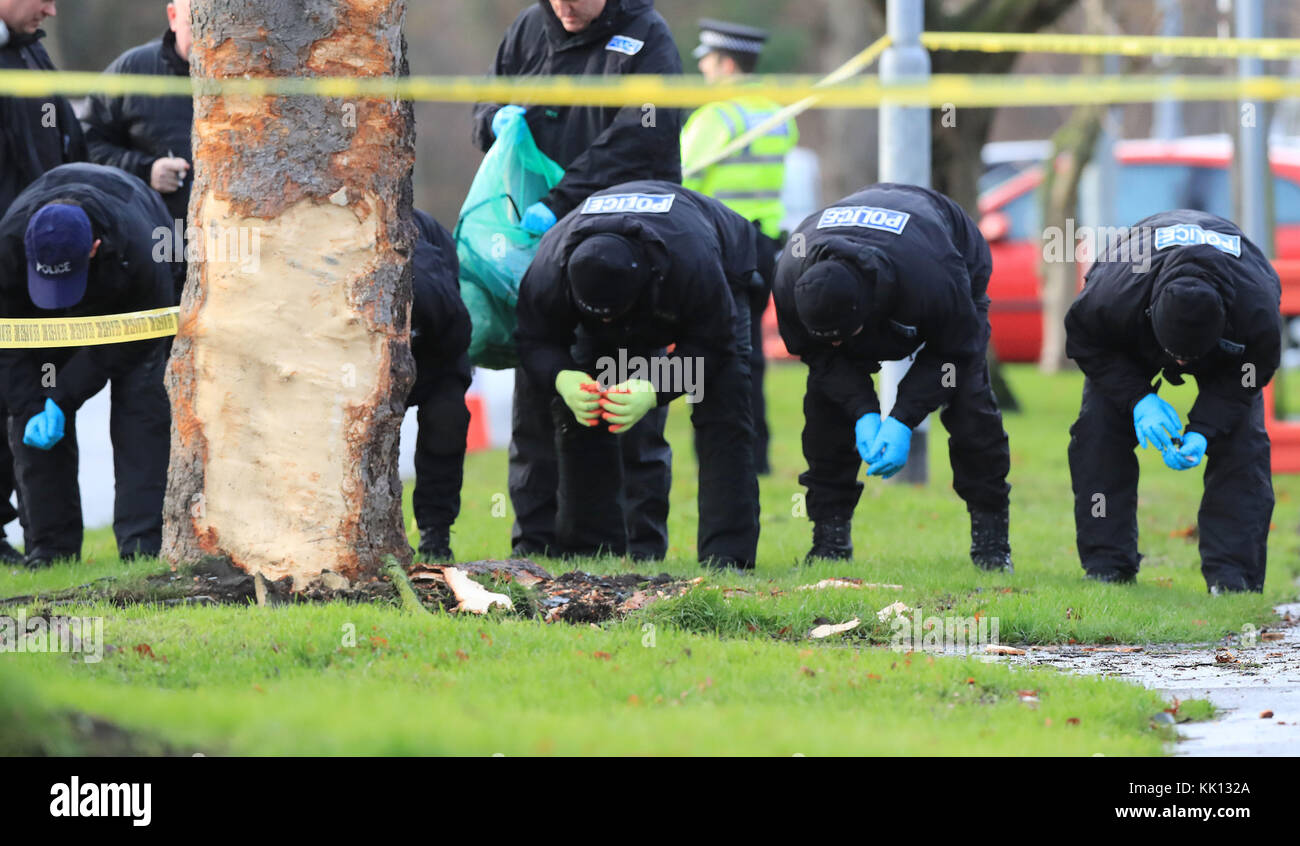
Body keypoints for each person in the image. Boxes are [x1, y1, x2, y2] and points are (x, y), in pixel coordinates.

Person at [471, 0, 684, 559]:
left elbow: (643, 137)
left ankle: (638, 552)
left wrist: (562, 200)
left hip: (624, 244)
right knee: (540, 397)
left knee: (627, 402)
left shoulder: (646, 38)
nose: (564, 5)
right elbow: (489, 100)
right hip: (537, 249)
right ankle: (534, 548)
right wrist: (492, 122)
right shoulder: (528, 30)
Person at [515, 181, 761, 569]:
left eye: (614, 315)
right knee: (588, 405)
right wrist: (563, 377)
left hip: (721, 263)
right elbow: (533, 339)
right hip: (625, 266)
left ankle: (727, 555)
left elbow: (714, 346)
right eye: (600, 317)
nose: (609, 323)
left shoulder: (692, 263)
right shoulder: (549, 265)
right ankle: (594, 549)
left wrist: (653, 386)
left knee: (723, 406)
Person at [774, 183, 1012, 571]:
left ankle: (992, 544)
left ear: (867, 317)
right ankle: (829, 539)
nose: (835, 347)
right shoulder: (789, 276)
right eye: (826, 339)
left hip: (945, 244)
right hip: (863, 247)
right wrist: (865, 412)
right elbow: (821, 358)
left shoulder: (933, 278)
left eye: (841, 339)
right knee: (826, 404)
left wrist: (902, 418)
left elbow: (954, 353)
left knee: (969, 403)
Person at [1065, 210, 1281, 593]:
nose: (1181, 366)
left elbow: (1250, 374)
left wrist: (1203, 429)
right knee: (1097, 432)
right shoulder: (1114, 292)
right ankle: (1107, 565)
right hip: (1133, 330)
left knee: (1244, 444)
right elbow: (1087, 343)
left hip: (1228, 350)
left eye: (1190, 359)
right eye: (1174, 355)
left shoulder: (1256, 309)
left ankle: (1235, 579)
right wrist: (1138, 399)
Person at [0, 163, 178, 566]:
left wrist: (63, 395)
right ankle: (51, 551)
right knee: (30, 416)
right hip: (38, 325)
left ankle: (143, 549)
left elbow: (134, 341)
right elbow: (5, 344)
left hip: (131, 314)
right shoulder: (8, 243)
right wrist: (32, 404)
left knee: (142, 409)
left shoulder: (142, 245)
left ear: (94, 247)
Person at [682, 18, 799, 474]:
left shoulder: (718, 117)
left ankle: (720, 454)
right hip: (764, 245)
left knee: (711, 349)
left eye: (709, 63)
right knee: (751, 354)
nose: (705, 73)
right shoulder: (775, 114)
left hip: (720, 248)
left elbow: (676, 173)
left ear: (727, 65)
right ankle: (758, 456)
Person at [0, 0, 86, 563]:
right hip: (9, 257)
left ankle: (46, 546)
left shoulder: (30, 51)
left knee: (34, 395)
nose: (52, 10)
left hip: (39, 253)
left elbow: (66, 141)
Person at [80, 0, 193, 297]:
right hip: (154, 248)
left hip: (239, 249)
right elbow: (84, 147)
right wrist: (145, 170)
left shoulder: (258, 74)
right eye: (198, 20)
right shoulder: (133, 70)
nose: (212, 34)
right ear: (172, 16)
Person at [408, 210, 472, 562]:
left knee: (447, 420)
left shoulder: (441, 302)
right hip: (355, 357)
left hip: (437, 351)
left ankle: (436, 534)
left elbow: (457, 348)